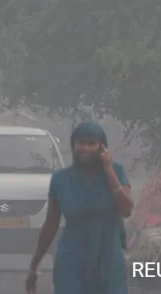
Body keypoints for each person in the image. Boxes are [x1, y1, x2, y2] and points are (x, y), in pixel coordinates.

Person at [26, 120, 134, 294]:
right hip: (72, 260)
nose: (85, 148)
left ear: (102, 147)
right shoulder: (61, 179)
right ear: (73, 145)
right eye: (81, 143)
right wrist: (34, 266)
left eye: (92, 143)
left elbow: (127, 209)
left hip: (109, 258)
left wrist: (108, 169)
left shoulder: (116, 171)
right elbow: (51, 224)